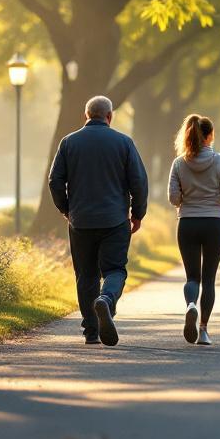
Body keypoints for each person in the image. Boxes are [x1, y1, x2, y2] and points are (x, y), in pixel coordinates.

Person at [49, 95, 147, 346]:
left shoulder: (69, 142)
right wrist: (138, 213)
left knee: (86, 274)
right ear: (109, 116)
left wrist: (66, 209)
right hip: (115, 220)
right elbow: (138, 181)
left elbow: (55, 181)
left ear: (86, 115)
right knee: (115, 269)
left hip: (81, 220)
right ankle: (106, 299)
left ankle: (91, 331)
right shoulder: (124, 143)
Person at [168, 114, 220, 346]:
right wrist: (218, 200)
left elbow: (173, 197)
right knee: (209, 279)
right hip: (214, 223)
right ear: (210, 135)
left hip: (187, 223)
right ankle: (204, 330)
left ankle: (190, 305)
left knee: (192, 276)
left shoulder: (179, 163)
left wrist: (186, 202)